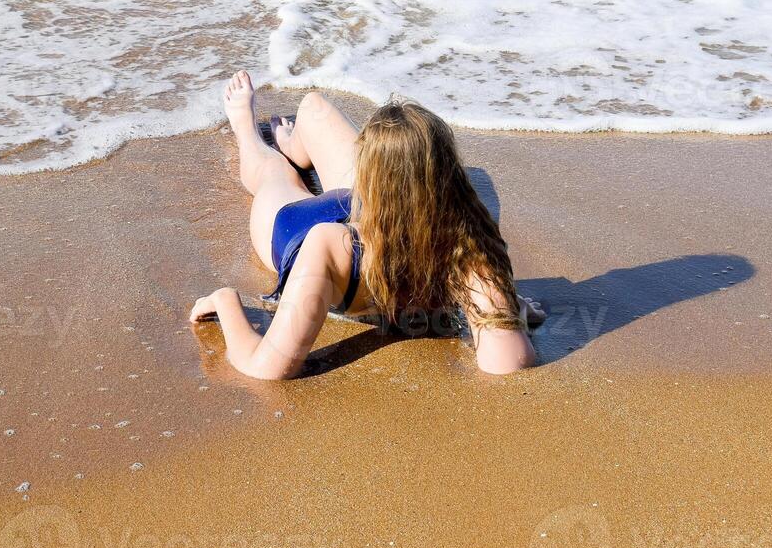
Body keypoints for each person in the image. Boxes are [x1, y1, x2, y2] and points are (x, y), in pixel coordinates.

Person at [190, 71, 541, 379]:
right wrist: (501, 308)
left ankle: (248, 131)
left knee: (272, 172)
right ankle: (282, 140)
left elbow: (262, 366)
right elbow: (507, 360)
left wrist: (227, 303)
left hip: (301, 227)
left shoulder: (327, 246)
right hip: (350, 222)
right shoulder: (470, 249)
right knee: (313, 106)